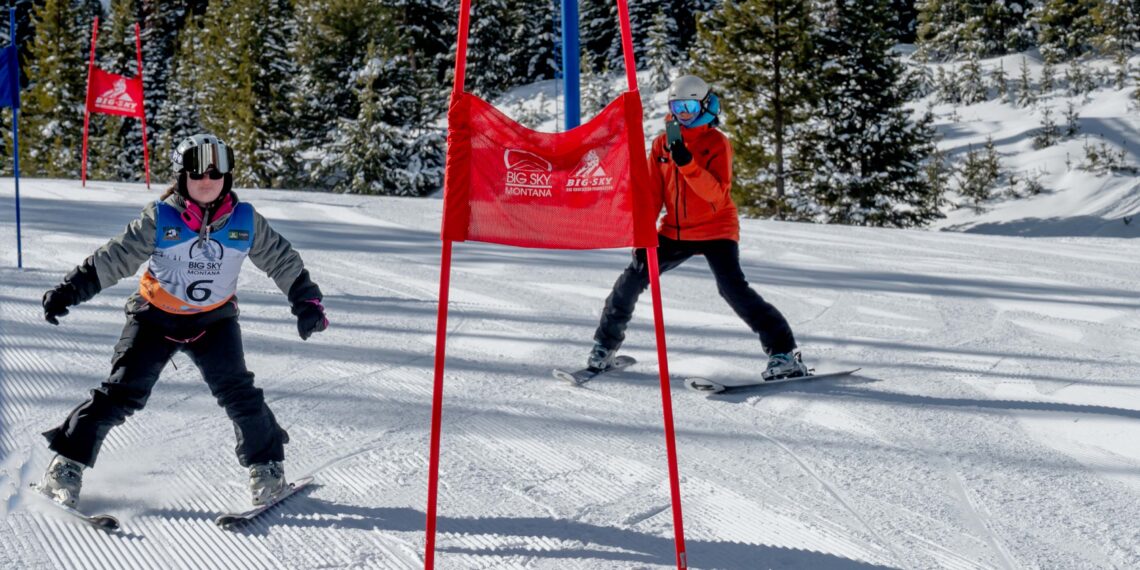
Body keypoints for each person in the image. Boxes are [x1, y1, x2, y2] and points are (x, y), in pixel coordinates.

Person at [37, 134, 328, 508]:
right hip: (154, 319)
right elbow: (116, 257)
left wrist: (306, 302)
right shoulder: (161, 219)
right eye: (196, 173)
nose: (207, 180)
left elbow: (282, 260)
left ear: (227, 176)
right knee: (122, 392)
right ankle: (67, 463)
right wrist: (70, 290)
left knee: (239, 394)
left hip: (215, 322)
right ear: (181, 177)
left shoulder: (244, 221)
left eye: (216, 171)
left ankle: (267, 466)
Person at [587, 75, 808, 380]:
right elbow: (652, 193)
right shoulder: (662, 143)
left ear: (704, 105)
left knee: (732, 289)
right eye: (678, 107)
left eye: (690, 107)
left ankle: (784, 353)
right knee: (632, 278)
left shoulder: (717, 143)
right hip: (675, 230)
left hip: (717, 228)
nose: (684, 114)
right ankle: (603, 347)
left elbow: (717, 194)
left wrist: (688, 164)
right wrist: (643, 233)